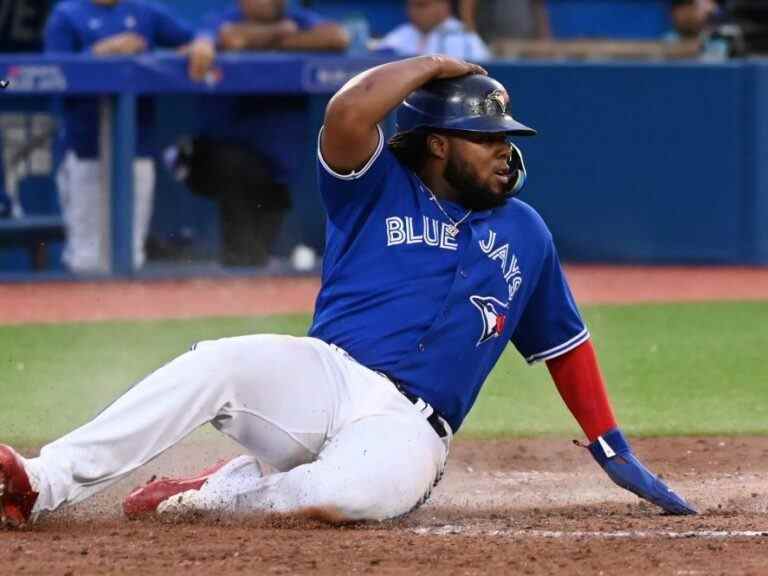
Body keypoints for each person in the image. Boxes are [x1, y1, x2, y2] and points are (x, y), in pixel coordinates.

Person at [0, 55, 696, 527]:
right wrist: (430, 66)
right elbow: (347, 116)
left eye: (506, 138)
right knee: (215, 362)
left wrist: (613, 449)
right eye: (484, 138)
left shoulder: (527, 232)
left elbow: (564, 347)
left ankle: (218, 494)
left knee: (342, 494)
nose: (504, 151)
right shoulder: (373, 187)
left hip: (410, 428)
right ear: (436, 144)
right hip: (323, 376)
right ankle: (42, 481)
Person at [44, 0, 215, 273]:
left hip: (138, 144)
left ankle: (120, 313)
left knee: (132, 254)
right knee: (86, 255)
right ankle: (81, 313)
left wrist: (203, 42)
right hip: (83, 146)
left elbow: (198, 32)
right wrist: (100, 52)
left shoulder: (144, 10)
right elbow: (49, 72)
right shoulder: (67, 14)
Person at [179, 0, 349, 267]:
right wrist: (281, 32)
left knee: (257, 257)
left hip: (276, 168)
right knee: (234, 166)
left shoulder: (296, 17)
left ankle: (248, 279)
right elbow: (230, 39)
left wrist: (272, 40)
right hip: (219, 157)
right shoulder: (224, 17)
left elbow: (337, 37)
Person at [377, 0, 491, 61]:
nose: (413, 11)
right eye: (410, 5)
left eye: (421, 5)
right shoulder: (403, 33)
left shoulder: (463, 37)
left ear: (443, 6)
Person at [458, 0, 551, 45]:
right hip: (492, 43)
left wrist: (544, 38)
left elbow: (538, 8)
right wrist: (474, 42)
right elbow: (467, 7)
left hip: (526, 42)